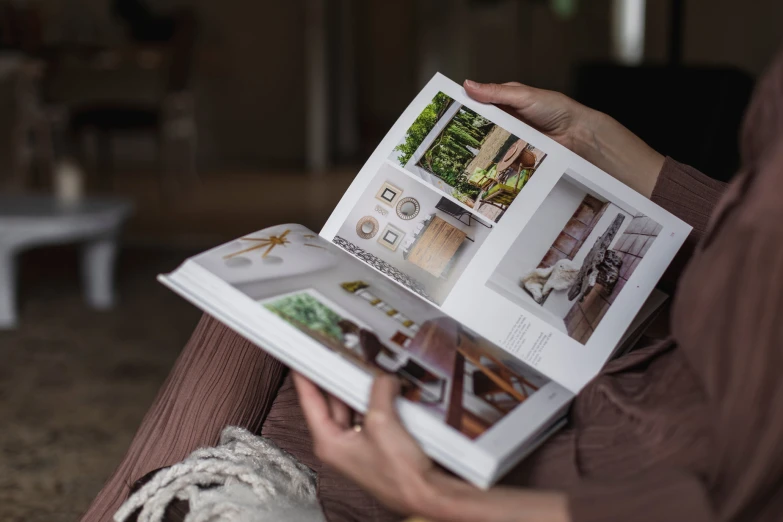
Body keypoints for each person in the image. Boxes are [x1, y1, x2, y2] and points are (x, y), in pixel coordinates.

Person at [82, 46, 783, 522]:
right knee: (275, 275)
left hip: (592, 475)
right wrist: (602, 145)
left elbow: (724, 500)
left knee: (282, 363)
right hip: (617, 394)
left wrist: (433, 495)